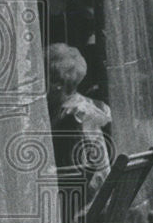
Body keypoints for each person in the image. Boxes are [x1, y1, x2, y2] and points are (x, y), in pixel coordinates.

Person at [47, 42, 112, 194]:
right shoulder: (91, 105)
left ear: (58, 83)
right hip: (100, 194)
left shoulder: (72, 116)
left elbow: (72, 174)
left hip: (82, 203)